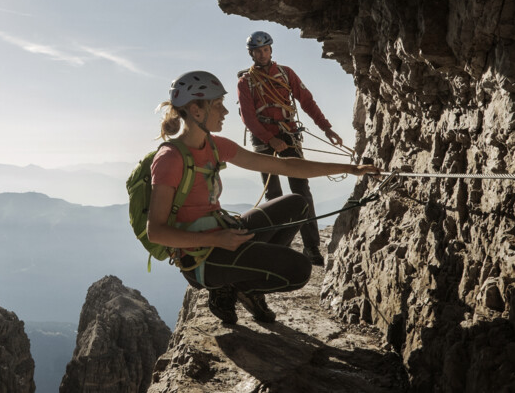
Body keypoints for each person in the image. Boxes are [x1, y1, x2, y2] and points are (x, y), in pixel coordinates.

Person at [148, 70, 378, 325]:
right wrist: (216, 239)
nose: (225, 112)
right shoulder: (170, 159)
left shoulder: (215, 145)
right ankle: (229, 287)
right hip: (201, 258)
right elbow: (156, 232)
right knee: (299, 270)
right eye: (218, 105)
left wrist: (349, 169)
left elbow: (287, 167)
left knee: (297, 205)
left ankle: (246, 287)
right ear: (196, 110)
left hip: (223, 235)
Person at [236, 30, 342, 266]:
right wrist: (269, 138)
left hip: (289, 135)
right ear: (251, 53)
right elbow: (248, 118)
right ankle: (277, 247)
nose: (262, 54)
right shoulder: (246, 82)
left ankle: (311, 247)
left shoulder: (285, 73)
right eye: (257, 51)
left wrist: (326, 128)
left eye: (265, 50)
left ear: (271, 50)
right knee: (274, 195)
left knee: (301, 191)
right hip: (264, 141)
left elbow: (307, 101)